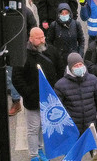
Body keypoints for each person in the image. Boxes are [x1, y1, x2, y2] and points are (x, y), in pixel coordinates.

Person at [12, 28, 65, 161]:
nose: (42, 40)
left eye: (42, 37)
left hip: (49, 99)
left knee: (43, 127)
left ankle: (40, 149)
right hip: (32, 100)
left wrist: (56, 90)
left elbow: (61, 70)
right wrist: (28, 93)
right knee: (33, 129)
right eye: (38, 38)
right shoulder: (23, 55)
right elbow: (17, 78)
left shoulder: (52, 51)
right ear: (30, 39)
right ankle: (34, 155)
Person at [55, 52, 97, 133]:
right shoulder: (60, 85)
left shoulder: (93, 80)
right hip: (72, 129)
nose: (79, 67)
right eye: (75, 66)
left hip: (91, 127)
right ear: (70, 68)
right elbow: (58, 108)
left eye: (80, 64)